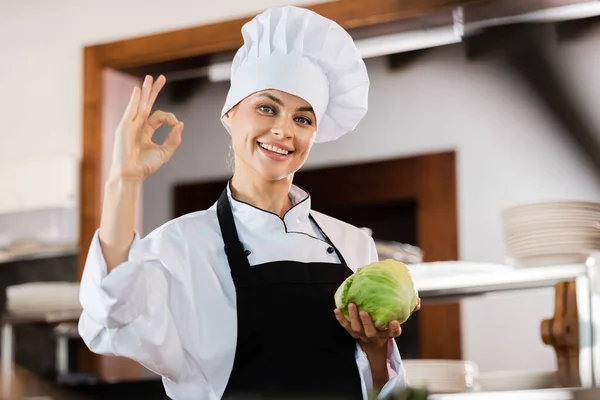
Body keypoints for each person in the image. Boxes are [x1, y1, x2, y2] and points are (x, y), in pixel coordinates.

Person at [78, 5, 420, 400]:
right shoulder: (181, 247)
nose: (282, 130)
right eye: (266, 108)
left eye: (303, 119)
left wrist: (376, 349)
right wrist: (124, 181)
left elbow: (384, 391)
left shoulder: (353, 243)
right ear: (230, 113)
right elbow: (110, 320)